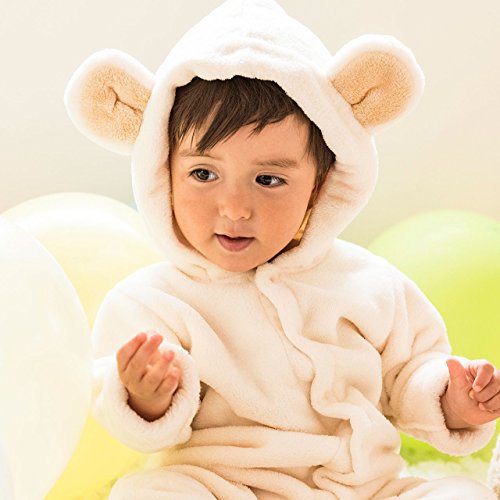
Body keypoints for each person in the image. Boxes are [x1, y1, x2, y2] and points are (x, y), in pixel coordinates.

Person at [65, 0, 499, 498]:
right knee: (147, 492)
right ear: (163, 173)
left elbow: (411, 373)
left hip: (364, 487)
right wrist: (146, 396)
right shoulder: (152, 300)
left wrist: (454, 399)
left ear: (320, 186)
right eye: (203, 173)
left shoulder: (368, 282)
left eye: (268, 179)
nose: (234, 207)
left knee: (456, 494)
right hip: (223, 484)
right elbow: (127, 415)